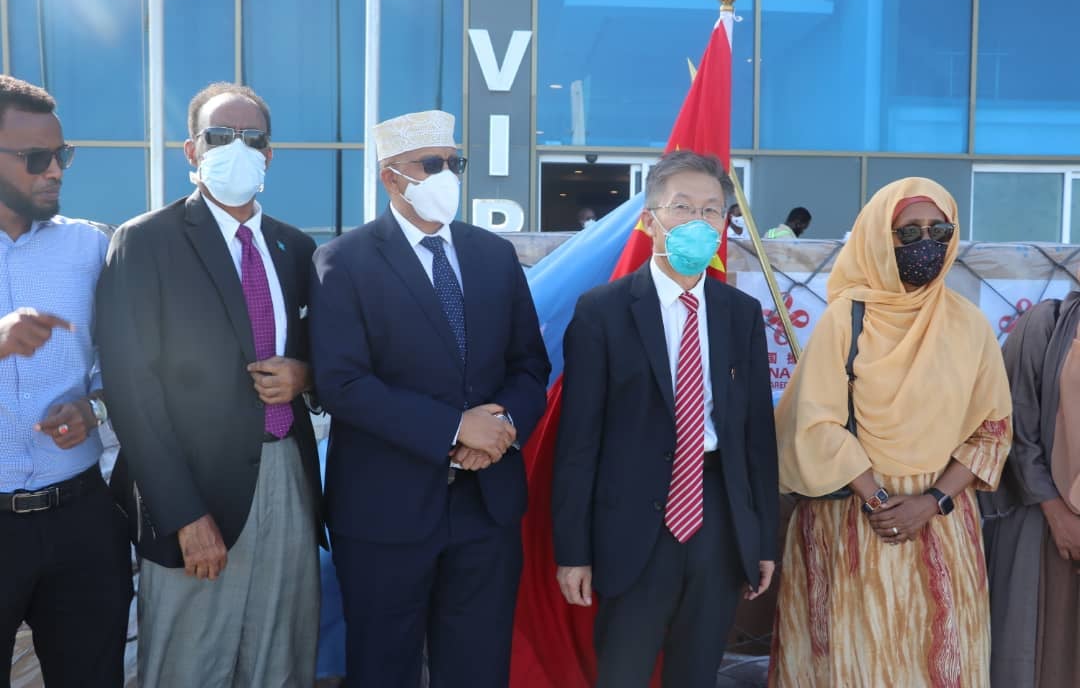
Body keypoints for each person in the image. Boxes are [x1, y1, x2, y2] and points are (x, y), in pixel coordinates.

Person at [310, 109, 550, 688]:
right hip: (384, 511)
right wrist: (454, 429)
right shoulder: (344, 261)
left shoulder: (493, 255)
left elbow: (529, 366)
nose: (448, 175)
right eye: (432, 164)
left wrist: (499, 427)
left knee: (477, 668)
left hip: (485, 507)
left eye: (454, 163)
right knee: (382, 669)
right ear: (391, 177)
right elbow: (343, 383)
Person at [95, 82, 322, 687]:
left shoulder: (296, 248)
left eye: (252, 138)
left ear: (269, 154)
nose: (237, 149)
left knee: (282, 659)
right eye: (220, 136)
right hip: (193, 490)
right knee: (190, 665)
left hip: (286, 476)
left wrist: (305, 374)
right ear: (191, 150)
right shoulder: (145, 241)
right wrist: (185, 515)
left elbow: (325, 353)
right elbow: (132, 392)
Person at [770, 177, 1012, 686]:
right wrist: (883, 503)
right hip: (855, 523)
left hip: (942, 525)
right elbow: (815, 423)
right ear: (881, 238)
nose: (927, 244)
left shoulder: (969, 325)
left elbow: (991, 432)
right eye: (910, 232)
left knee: (942, 662)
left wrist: (931, 503)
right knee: (855, 663)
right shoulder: (845, 319)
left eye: (940, 231)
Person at [552, 150, 778, 688]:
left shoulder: (741, 313)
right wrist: (573, 552)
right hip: (631, 525)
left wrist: (764, 541)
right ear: (649, 220)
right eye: (682, 207)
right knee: (624, 672)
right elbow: (579, 441)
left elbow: (755, 438)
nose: (699, 221)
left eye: (711, 210)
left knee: (697, 672)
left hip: (717, 518)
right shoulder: (602, 311)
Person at [0, 75, 131, 688]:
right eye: (36, 158)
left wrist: (93, 409)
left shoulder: (90, 247)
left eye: (61, 154)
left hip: (81, 518)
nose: (54, 171)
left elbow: (122, 365)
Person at [981, 290, 1080, 687]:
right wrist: (1057, 514)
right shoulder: (1047, 323)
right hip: (1047, 525)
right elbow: (1013, 425)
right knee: (1041, 655)